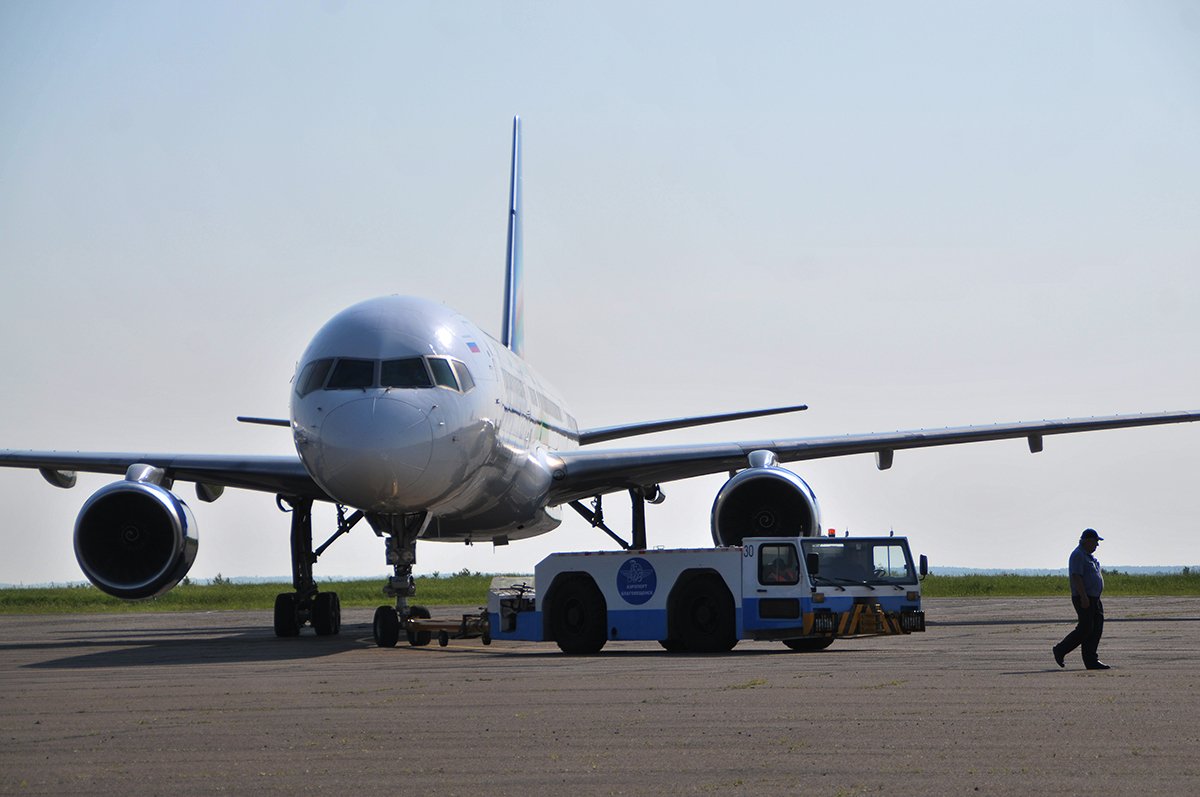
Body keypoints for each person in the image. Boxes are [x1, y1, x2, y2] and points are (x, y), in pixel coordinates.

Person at [1052, 528, 1110, 670]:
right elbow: (1076, 577)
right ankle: (1060, 649)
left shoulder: (1089, 557)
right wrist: (1083, 597)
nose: (1097, 545)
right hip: (1084, 598)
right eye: (1096, 541)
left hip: (1094, 598)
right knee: (1085, 628)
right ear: (1088, 541)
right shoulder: (1078, 555)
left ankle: (1091, 661)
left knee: (1096, 629)